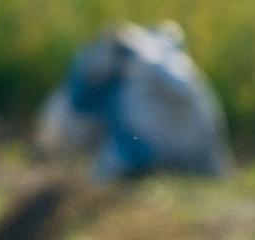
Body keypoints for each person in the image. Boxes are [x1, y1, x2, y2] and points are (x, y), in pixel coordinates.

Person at [35, 22, 230, 180]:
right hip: (197, 161)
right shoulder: (166, 66)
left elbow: (74, 111)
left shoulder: (135, 72)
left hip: (152, 156)